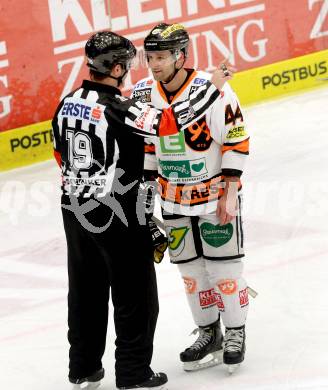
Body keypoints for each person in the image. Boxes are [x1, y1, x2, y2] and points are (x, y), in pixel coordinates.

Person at [51, 30, 227, 389]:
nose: (130, 70)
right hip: (116, 209)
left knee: (85, 290)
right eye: (127, 65)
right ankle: (132, 372)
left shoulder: (67, 101)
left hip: (74, 207)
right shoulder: (119, 108)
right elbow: (168, 124)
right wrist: (211, 86)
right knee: (135, 295)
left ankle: (83, 369)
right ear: (116, 69)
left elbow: (59, 152)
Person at [132, 23, 249, 374]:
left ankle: (236, 332)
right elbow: (148, 149)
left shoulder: (213, 90)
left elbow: (235, 138)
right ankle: (208, 331)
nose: (154, 64)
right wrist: (145, 204)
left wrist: (230, 193)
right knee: (191, 274)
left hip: (214, 197)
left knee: (224, 269)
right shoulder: (141, 92)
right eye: (150, 56)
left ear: (181, 55)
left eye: (162, 56)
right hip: (173, 201)